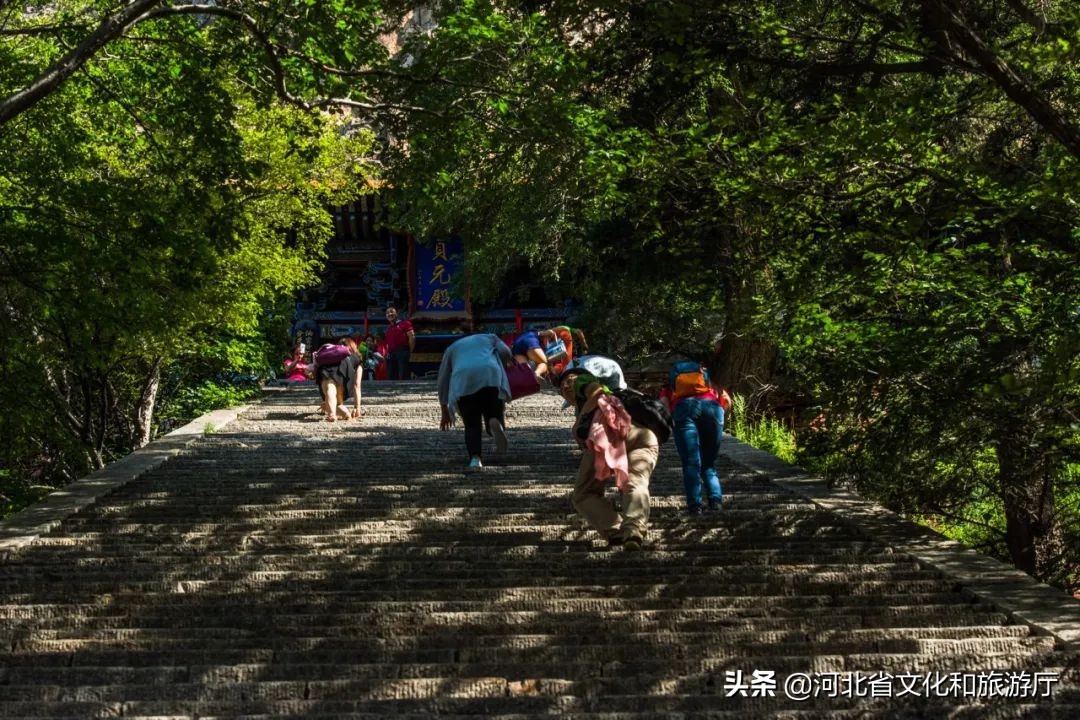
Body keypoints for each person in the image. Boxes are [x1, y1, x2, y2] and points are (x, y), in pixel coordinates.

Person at [564, 373, 659, 551]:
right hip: (645, 436)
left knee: (583, 494)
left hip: (611, 435)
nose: (565, 389)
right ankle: (633, 531)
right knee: (636, 481)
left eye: (565, 385)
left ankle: (615, 531)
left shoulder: (579, 380)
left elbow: (596, 390)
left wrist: (579, 423)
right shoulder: (619, 398)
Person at [659, 360, 730, 515]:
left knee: (691, 463)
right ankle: (716, 501)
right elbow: (726, 400)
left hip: (684, 409)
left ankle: (695, 506)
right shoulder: (708, 383)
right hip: (713, 409)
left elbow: (664, 407)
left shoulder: (668, 388)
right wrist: (720, 414)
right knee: (709, 463)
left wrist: (672, 421)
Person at [437, 332, 513, 471]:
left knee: (471, 424)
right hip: (490, 374)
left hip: (464, 380)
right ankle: (494, 424)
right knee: (493, 407)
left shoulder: (452, 347)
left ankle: (475, 458)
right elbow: (506, 352)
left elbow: (443, 378)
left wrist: (444, 408)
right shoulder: (490, 337)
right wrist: (501, 363)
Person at [315, 337, 363, 422]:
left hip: (326, 371)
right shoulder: (356, 357)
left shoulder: (331, 355)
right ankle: (344, 413)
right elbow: (357, 385)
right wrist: (357, 408)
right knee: (338, 402)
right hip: (344, 376)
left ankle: (332, 413)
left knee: (330, 390)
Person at [384, 306, 415, 380]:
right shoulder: (388, 329)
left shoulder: (405, 323)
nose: (390, 314)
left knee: (404, 374)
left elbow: (412, 336)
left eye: (391, 311)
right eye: (387, 313)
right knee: (391, 375)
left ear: (396, 314)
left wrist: (409, 351)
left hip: (402, 351)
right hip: (391, 354)